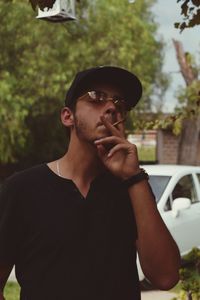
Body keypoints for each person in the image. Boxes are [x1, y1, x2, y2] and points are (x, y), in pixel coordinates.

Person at [0, 66, 180, 300]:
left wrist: (134, 177)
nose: (112, 107)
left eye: (119, 102)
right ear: (68, 116)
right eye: (96, 97)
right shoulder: (22, 189)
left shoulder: (131, 189)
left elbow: (166, 277)